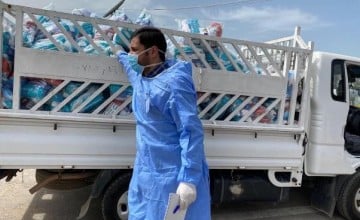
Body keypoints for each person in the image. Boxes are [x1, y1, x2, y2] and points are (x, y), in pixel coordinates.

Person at [116, 26, 211, 220]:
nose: (130, 54)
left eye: (134, 49)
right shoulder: (141, 77)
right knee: (141, 213)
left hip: (172, 173)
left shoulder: (175, 84)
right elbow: (127, 63)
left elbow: (190, 131)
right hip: (146, 169)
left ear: (152, 51)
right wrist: (119, 54)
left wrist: (189, 180)